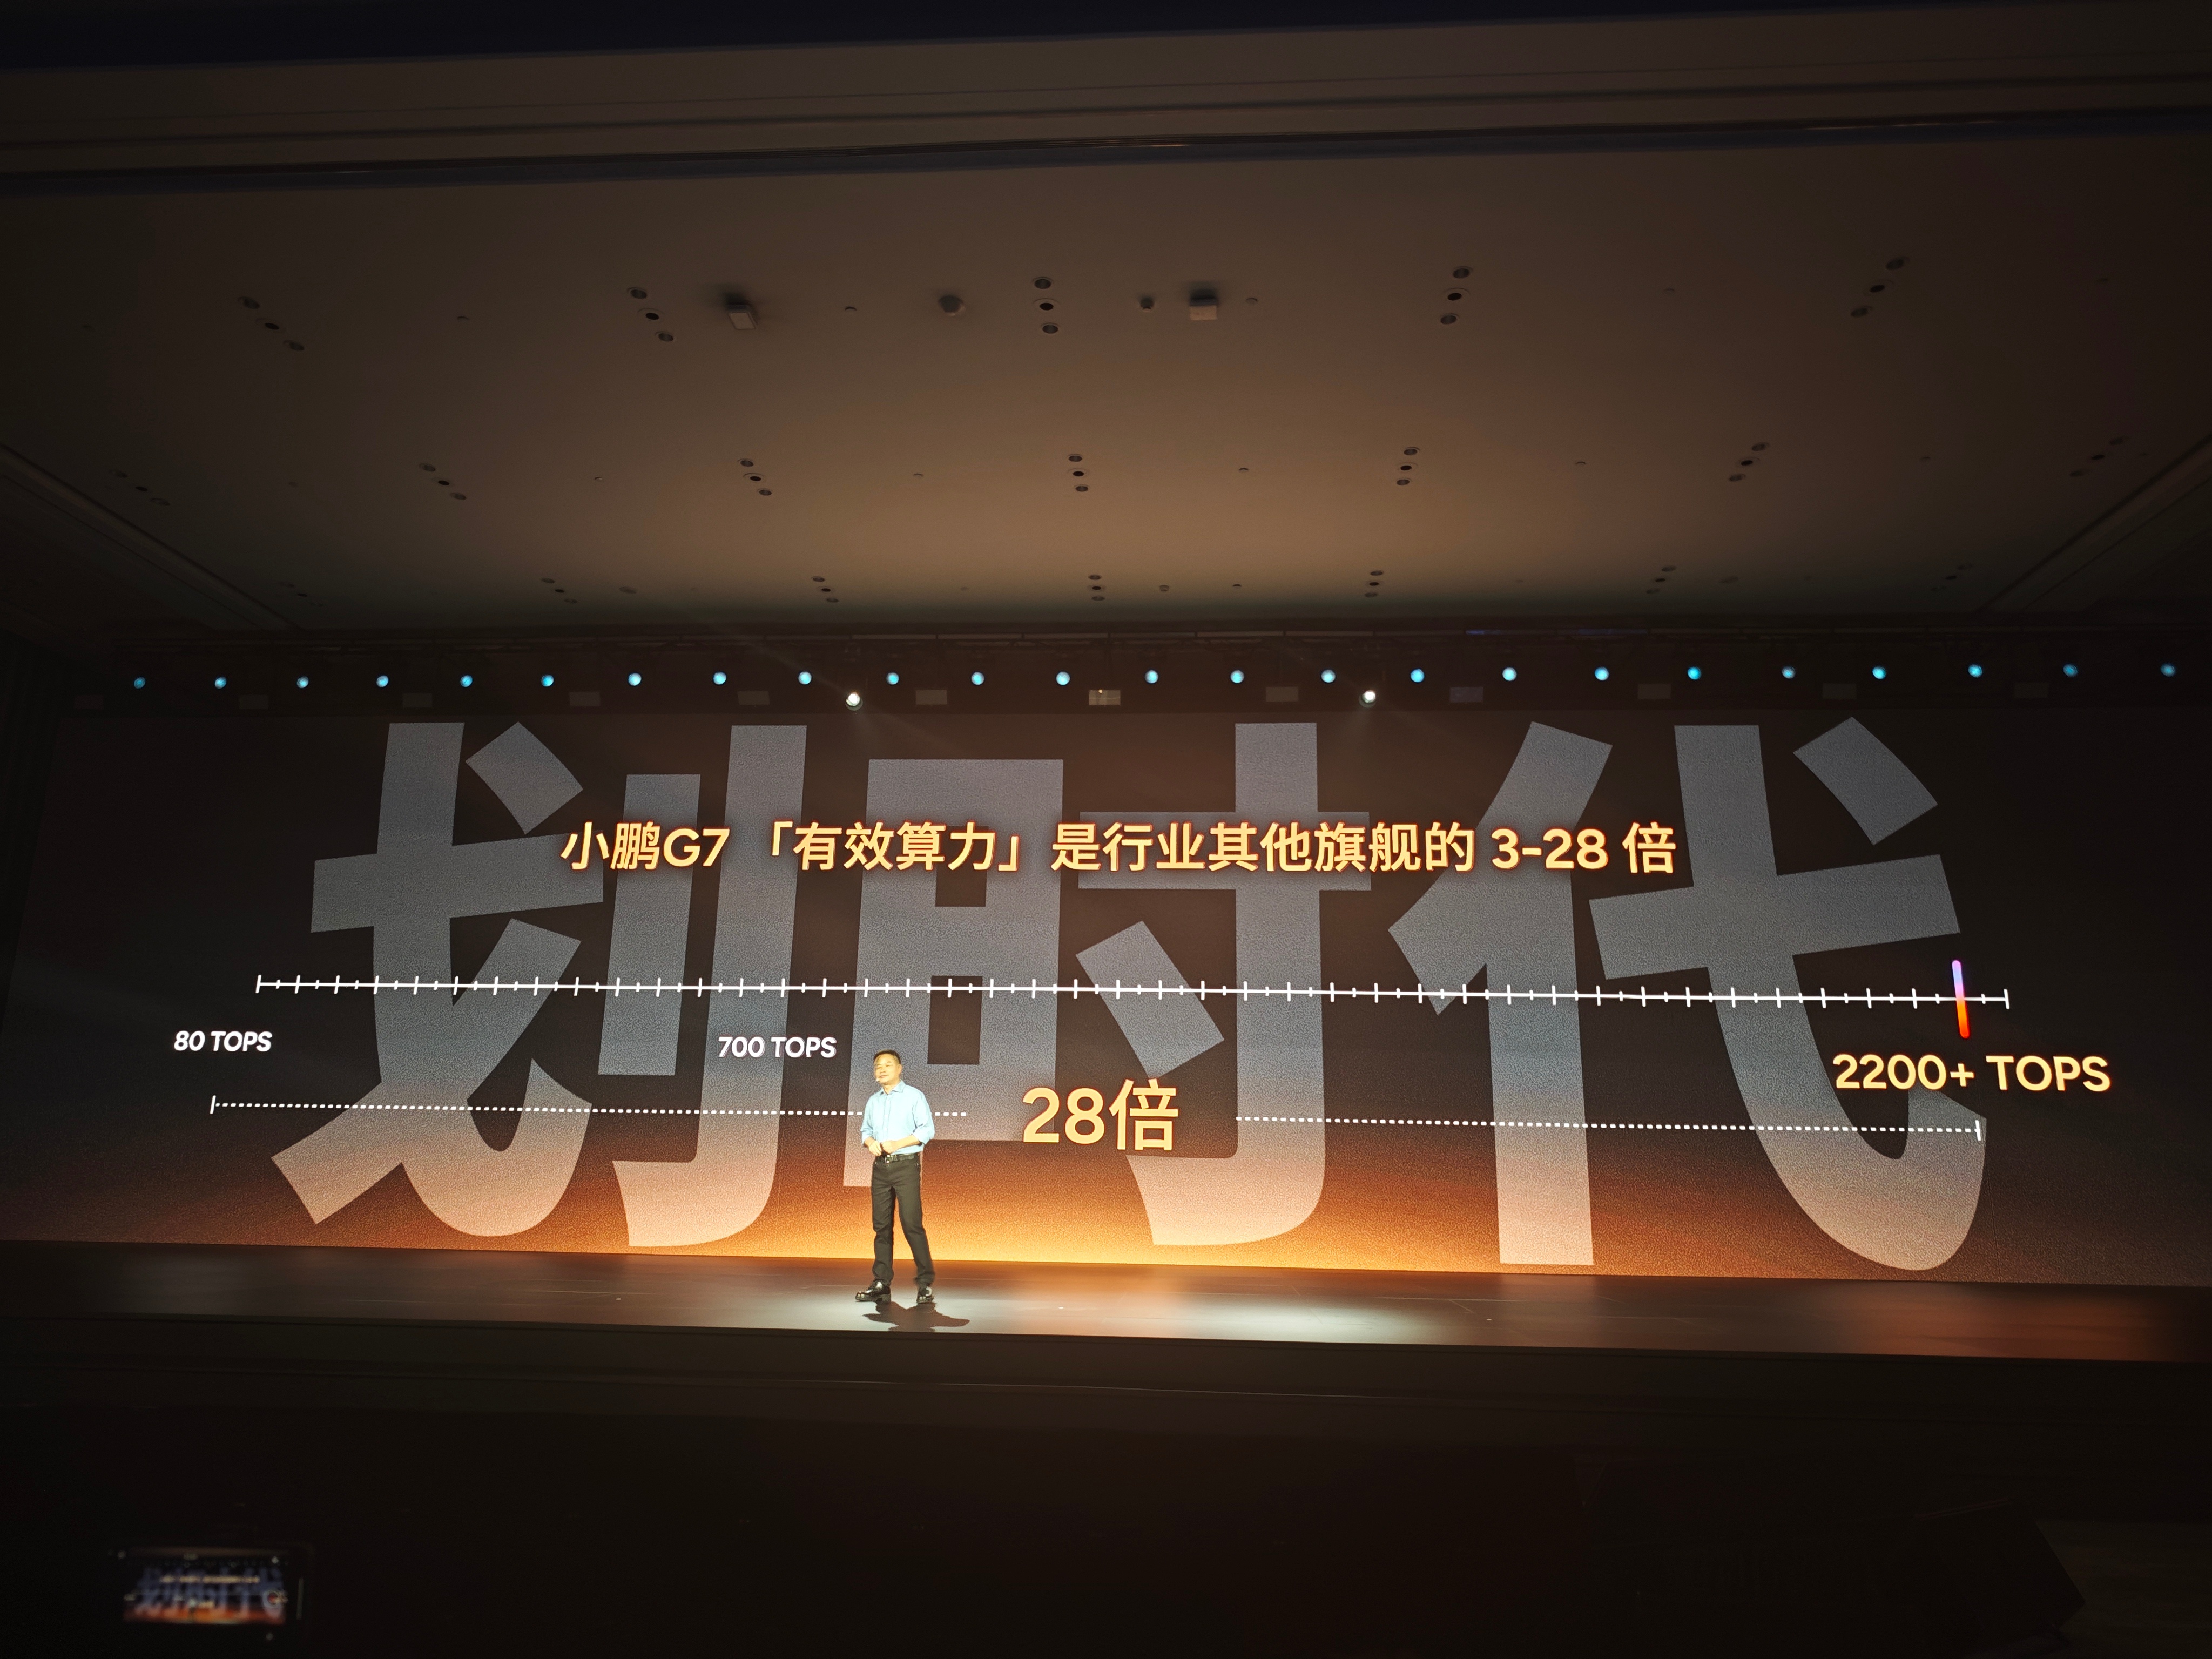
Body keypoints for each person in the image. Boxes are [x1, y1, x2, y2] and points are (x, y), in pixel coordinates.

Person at [856, 1048, 936, 1303]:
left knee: (912, 1224)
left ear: (899, 1069)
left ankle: (924, 1283)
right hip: (881, 1168)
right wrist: (870, 1143)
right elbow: (866, 1130)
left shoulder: (914, 1096)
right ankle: (881, 1282)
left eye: (887, 1065)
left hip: (906, 1166)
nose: (881, 1070)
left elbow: (927, 1130)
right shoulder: (873, 1101)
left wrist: (898, 1144)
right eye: (877, 1066)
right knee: (881, 1227)